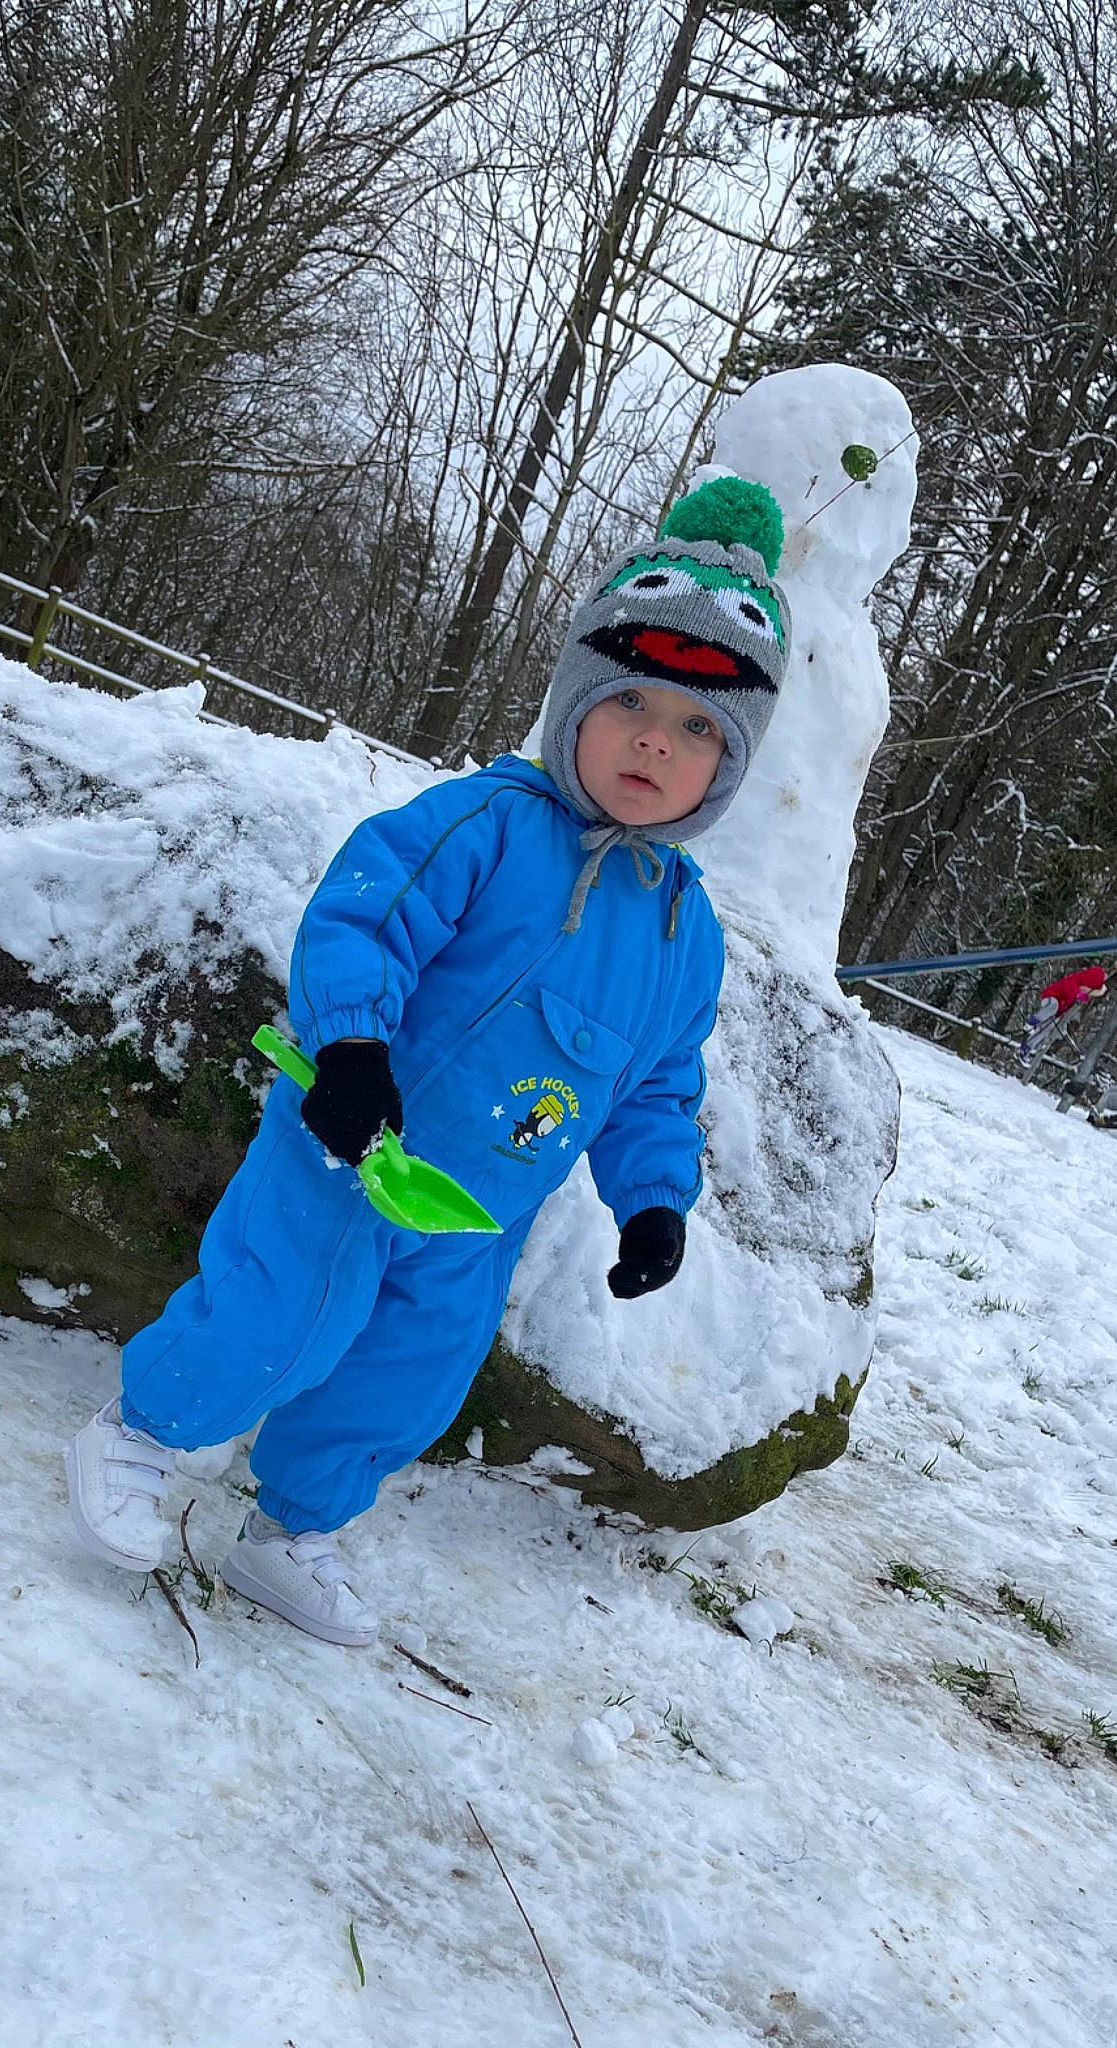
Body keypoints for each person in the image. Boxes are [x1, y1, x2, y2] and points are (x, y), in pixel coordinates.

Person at [64, 475, 791, 1646]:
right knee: (282, 1312)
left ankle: (291, 1531)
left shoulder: (684, 931)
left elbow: (658, 1081)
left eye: (701, 726)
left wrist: (655, 1198)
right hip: (353, 1138)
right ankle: (141, 1430)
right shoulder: (488, 823)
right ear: (575, 702)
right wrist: (351, 1045)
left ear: (730, 765)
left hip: (474, 1209)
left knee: (407, 1375)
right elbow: (363, 918)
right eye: (633, 701)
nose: (658, 738)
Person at [1018, 963, 1107, 1071]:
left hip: (1055, 1013)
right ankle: (1034, 1020)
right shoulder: (1074, 981)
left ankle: (1027, 1047)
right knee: (1053, 1005)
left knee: (1045, 1030)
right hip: (1051, 999)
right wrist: (1080, 996)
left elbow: (1075, 1001)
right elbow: (1071, 992)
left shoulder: (1079, 990)